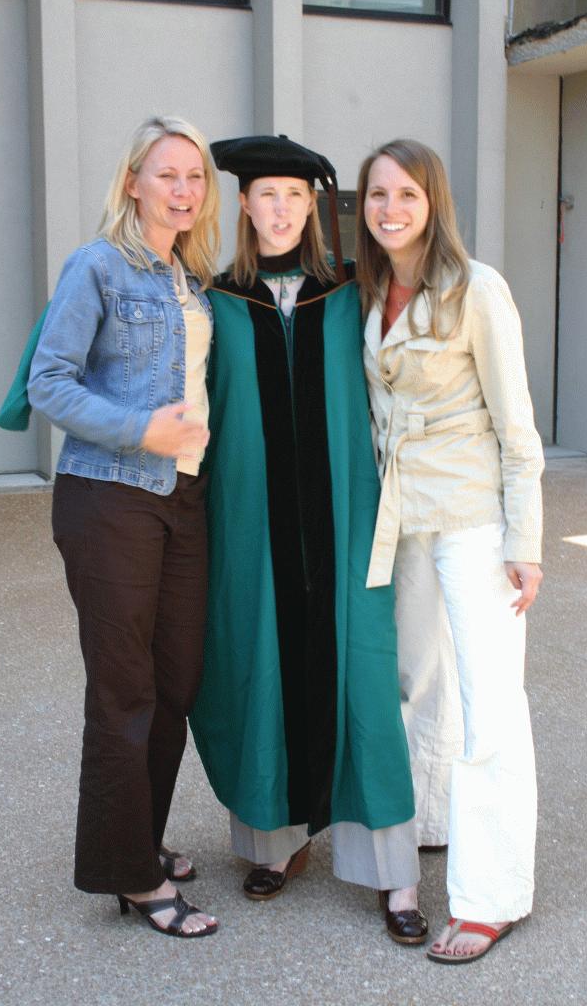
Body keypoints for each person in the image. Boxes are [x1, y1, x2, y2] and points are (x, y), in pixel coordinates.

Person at [189, 134, 428, 944]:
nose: (282, 208)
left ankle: (392, 874)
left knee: (363, 680)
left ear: (313, 208)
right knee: (258, 667)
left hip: (347, 520)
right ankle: (276, 842)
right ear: (245, 205)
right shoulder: (216, 301)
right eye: (267, 194)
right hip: (250, 524)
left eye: (295, 194)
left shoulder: (353, 292)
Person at [27, 115, 221, 938]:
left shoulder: (191, 279)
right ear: (134, 182)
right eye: (166, 174)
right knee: (124, 688)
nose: (182, 189)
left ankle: (137, 839)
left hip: (183, 499)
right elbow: (49, 381)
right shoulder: (99, 265)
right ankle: (134, 877)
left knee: (176, 680)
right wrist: (142, 429)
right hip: (110, 497)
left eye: (195, 176)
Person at [357, 138, 543, 963]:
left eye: (407, 194)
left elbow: (517, 426)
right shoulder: (371, 293)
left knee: (489, 703)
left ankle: (490, 896)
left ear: (434, 203)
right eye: (377, 194)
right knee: (419, 684)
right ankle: (429, 822)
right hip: (405, 519)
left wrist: (526, 540)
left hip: (473, 519)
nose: (391, 208)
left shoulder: (477, 289)